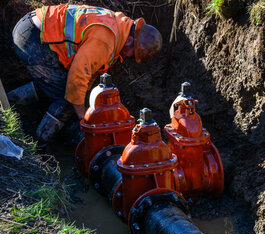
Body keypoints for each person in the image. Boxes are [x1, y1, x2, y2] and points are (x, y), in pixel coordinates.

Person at [7, 4, 162, 145]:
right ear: (129, 41)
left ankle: (7, 103)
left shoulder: (117, 26)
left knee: (55, 85)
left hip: (33, 28)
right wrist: (84, 118)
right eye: (132, 55)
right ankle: (38, 146)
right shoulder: (106, 39)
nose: (129, 58)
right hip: (34, 37)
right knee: (65, 98)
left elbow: (88, 72)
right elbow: (77, 78)